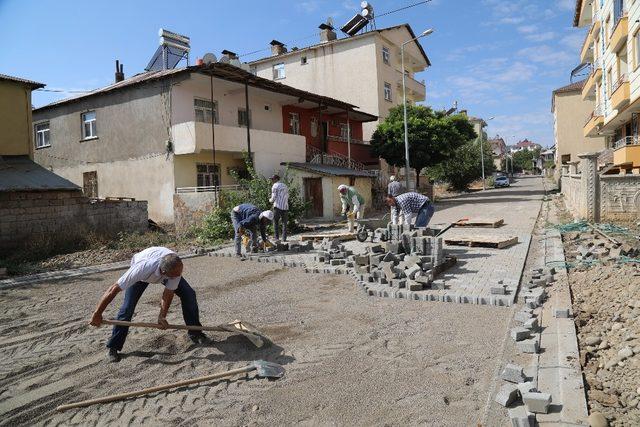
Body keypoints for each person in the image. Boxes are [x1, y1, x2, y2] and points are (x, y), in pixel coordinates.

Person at [89, 247, 206, 363]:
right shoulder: (141, 269)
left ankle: (195, 333)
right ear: (164, 273)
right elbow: (113, 289)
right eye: (176, 275)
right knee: (127, 308)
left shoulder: (175, 267)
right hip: (142, 275)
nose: (178, 276)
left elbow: (168, 293)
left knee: (189, 294)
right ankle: (113, 347)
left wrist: (162, 316)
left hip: (166, 267)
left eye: (179, 273)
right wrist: (97, 313)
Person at [269, 174, 289, 242]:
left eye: (272, 179)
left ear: (276, 179)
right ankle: (284, 238)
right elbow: (287, 195)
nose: (272, 180)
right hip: (285, 206)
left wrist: (270, 200)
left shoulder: (275, 185)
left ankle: (277, 238)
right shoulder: (285, 185)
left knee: (275, 222)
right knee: (284, 223)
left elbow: (273, 197)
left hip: (277, 206)